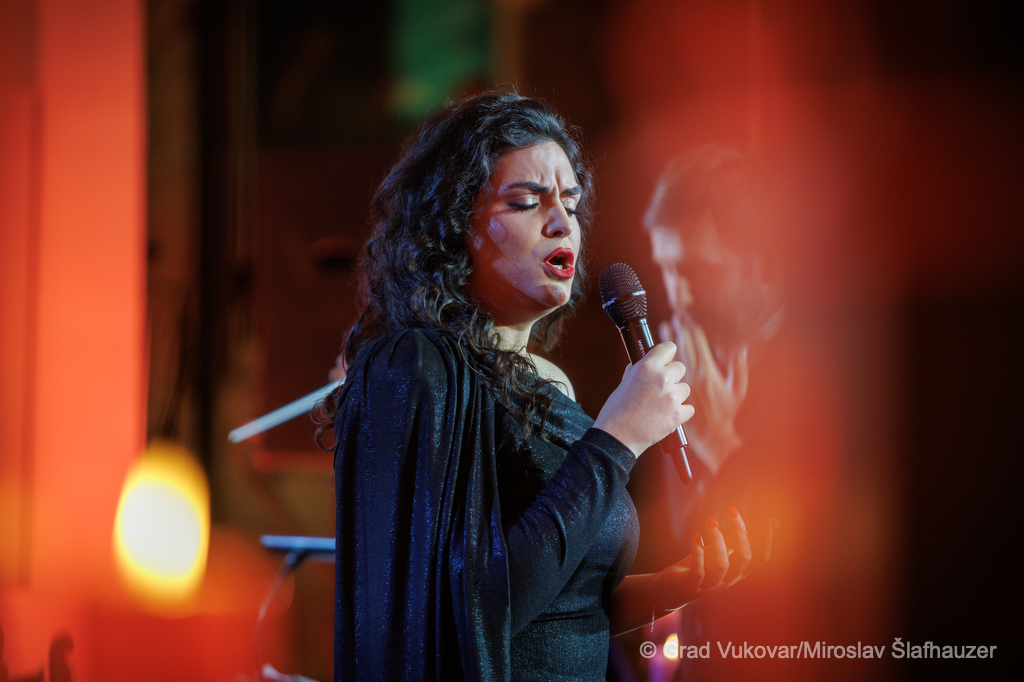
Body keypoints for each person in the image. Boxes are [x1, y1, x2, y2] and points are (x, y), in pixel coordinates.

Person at [316, 93, 774, 682]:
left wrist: (672, 585)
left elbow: (559, 610)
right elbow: (467, 615)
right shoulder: (416, 367)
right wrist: (616, 441)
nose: (562, 223)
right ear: (455, 225)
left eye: (571, 203)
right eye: (527, 202)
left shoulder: (553, 384)